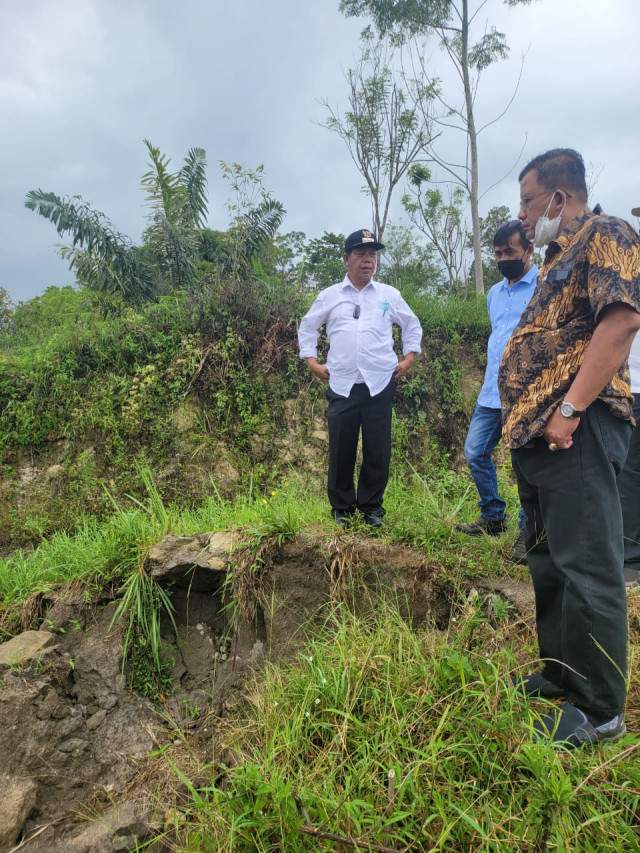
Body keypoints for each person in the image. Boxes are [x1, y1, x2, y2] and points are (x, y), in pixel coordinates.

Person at [499, 148, 640, 749]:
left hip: (576, 430)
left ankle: (600, 709)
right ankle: (562, 673)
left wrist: (569, 410)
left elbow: (621, 322)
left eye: (528, 202)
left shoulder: (607, 234)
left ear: (558, 198)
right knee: (550, 561)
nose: (522, 216)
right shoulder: (558, 257)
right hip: (540, 436)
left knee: (587, 564)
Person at [298, 228, 422, 528]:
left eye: (372, 255)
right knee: (341, 448)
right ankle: (342, 508)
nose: (368, 260)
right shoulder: (330, 296)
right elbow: (307, 327)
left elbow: (411, 324)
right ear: (346, 259)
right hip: (342, 384)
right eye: (361, 254)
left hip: (379, 383)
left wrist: (409, 357)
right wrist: (312, 361)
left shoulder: (388, 295)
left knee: (377, 449)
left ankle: (371, 508)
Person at [455, 220, 538, 564]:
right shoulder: (493, 293)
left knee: (526, 466)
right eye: (498, 253)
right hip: (492, 392)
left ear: (529, 250)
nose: (503, 258)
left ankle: (527, 532)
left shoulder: (544, 288)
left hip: (528, 394)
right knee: (475, 451)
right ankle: (493, 516)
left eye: (510, 252)